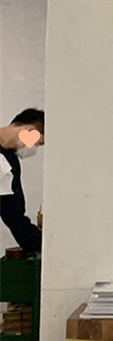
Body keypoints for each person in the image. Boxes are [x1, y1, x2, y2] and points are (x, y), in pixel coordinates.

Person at [0, 108, 45, 254]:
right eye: (38, 143)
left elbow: (13, 213)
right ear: (30, 131)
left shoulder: (10, 163)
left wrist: (41, 243)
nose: (35, 149)